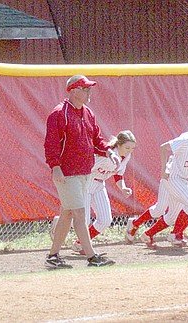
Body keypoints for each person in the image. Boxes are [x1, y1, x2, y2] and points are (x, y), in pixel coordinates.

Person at [44, 75, 117, 269]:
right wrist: (55, 167)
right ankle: (92, 257)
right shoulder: (59, 113)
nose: (88, 92)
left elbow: (97, 139)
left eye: (88, 89)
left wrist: (109, 151)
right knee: (78, 213)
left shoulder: (87, 113)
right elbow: (51, 144)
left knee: (67, 214)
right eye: (85, 89)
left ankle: (53, 256)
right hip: (67, 173)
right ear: (73, 90)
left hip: (85, 171)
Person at [125, 108, 188, 247]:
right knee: (163, 209)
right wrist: (164, 170)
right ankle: (172, 234)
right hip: (173, 176)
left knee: (180, 215)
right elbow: (164, 147)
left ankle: (148, 234)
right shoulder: (186, 139)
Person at [67, 130, 136, 253]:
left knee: (105, 220)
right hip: (87, 183)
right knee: (84, 221)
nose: (130, 151)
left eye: (132, 148)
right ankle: (60, 222)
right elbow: (86, 167)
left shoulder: (126, 156)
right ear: (118, 145)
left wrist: (123, 188)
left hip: (99, 185)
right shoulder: (106, 155)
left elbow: (118, 175)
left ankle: (79, 244)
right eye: (127, 147)